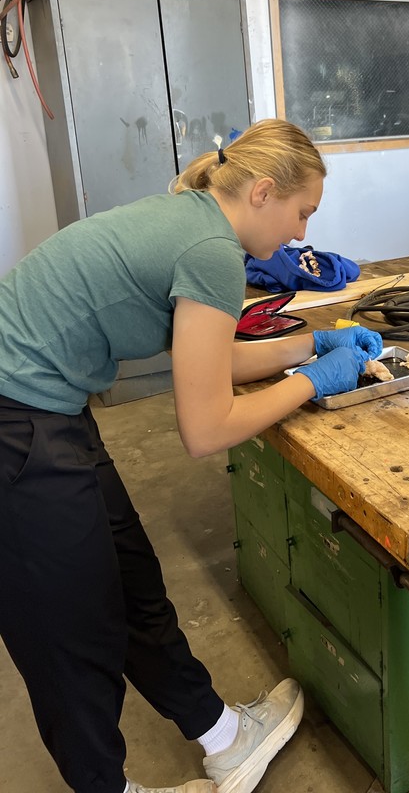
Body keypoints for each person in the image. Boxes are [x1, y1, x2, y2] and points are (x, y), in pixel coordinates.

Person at [0, 118, 383, 793]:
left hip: (46, 409)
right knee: (71, 632)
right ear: (263, 192)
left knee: (130, 583)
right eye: (303, 213)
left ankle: (225, 738)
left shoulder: (190, 219)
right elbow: (205, 427)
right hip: (13, 420)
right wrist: (309, 384)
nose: (300, 235)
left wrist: (310, 345)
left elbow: (207, 356)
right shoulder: (211, 249)